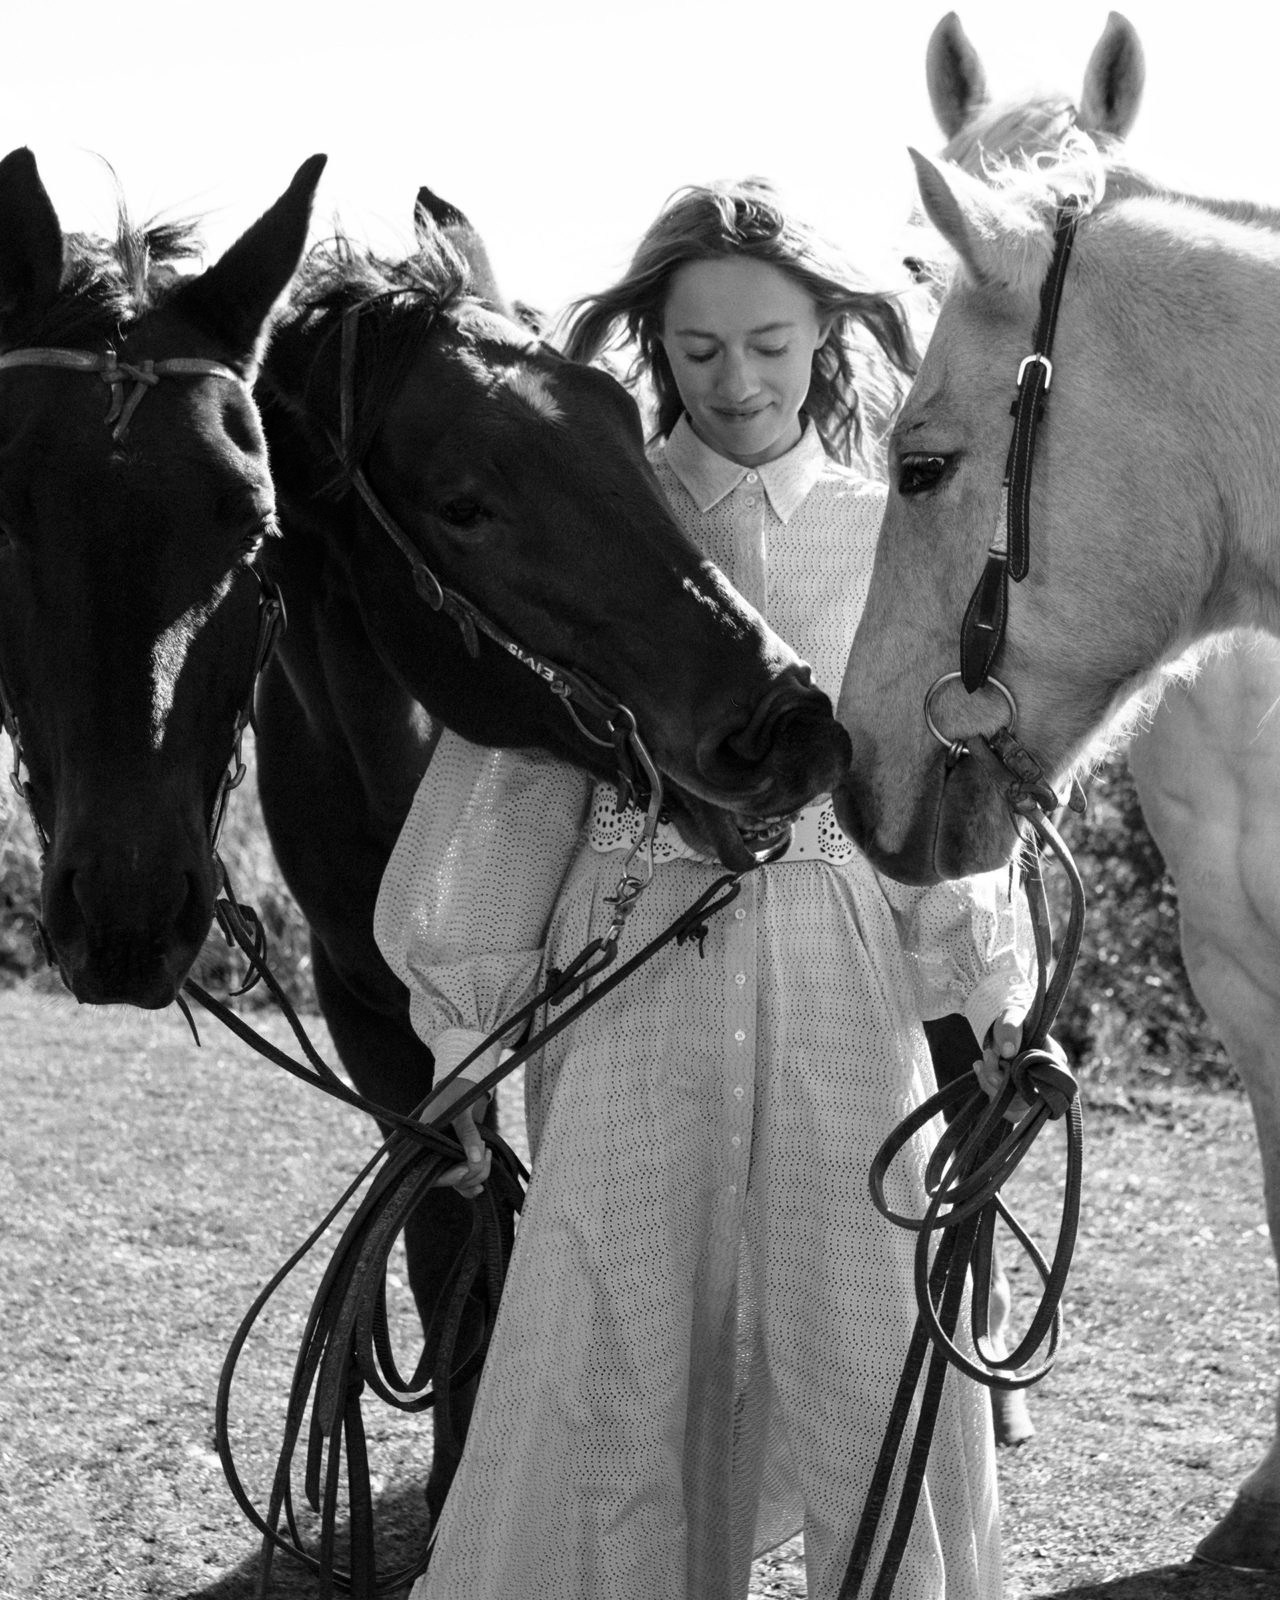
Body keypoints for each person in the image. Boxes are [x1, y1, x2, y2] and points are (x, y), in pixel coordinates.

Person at [373, 177, 1034, 1600]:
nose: (737, 381)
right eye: (699, 348)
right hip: (626, 979)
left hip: (839, 973)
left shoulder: (884, 529)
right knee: (612, 1339)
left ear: (826, 336)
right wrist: (467, 1030)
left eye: (771, 344)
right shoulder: (600, 515)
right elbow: (518, 773)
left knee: (864, 1322)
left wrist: (985, 1001)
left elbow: (925, 772)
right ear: (654, 346)